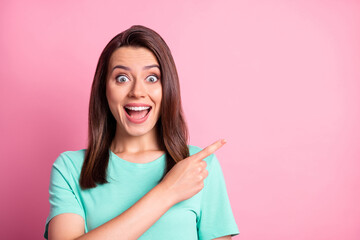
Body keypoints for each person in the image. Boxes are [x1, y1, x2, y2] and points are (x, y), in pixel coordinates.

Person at [44, 25, 239, 240]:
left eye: (152, 78)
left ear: (168, 88)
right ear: (104, 89)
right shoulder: (70, 168)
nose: (137, 92)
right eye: (122, 78)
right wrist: (167, 192)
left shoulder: (199, 167)